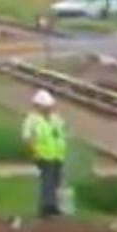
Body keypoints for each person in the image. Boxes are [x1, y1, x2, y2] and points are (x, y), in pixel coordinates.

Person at [21, 90, 68, 218]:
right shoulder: (32, 120)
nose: (49, 108)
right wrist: (33, 152)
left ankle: (54, 206)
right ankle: (46, 208)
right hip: (43, 155)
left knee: (56, 181)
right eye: (46, 106)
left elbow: (61, 133)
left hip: (57, 155)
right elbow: (27, 138)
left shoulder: (55, 118)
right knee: (47, 181)